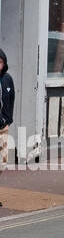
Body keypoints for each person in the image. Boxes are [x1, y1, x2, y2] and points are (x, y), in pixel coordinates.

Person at [0, 47, 14, 203]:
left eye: (0, 62)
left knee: (2, 164)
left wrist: (8, 118)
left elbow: (11, 99)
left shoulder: (7, 79)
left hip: (3, 128)